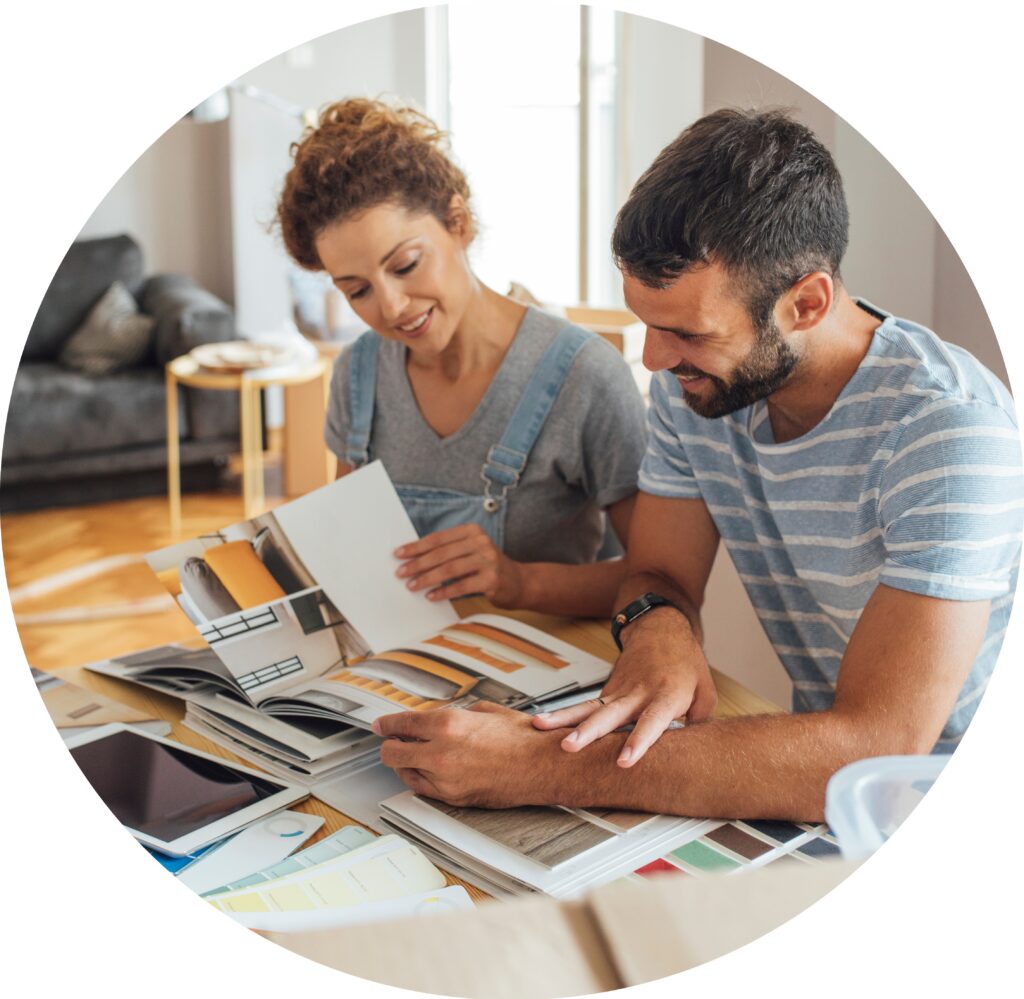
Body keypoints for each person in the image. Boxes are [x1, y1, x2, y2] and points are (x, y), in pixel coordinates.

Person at [371, 108, 1023, 821]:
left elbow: (875, 751)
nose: (653, 358)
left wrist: (534, 765)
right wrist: (660, 627)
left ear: (805, 303)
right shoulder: (695, 388)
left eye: (685, 332)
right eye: (647, 323)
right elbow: (657, 575)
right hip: (822, 787)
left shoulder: (949, 432)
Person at [276, 99, 646, 617]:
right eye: (357, 290)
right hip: (402, 677)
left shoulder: (585, 378)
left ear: (458, 222)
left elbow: (657, 584)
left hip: (544, 682)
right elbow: (354, 556)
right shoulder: (358, 376)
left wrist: (519, 583)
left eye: (405, 265)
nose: (392, 308)